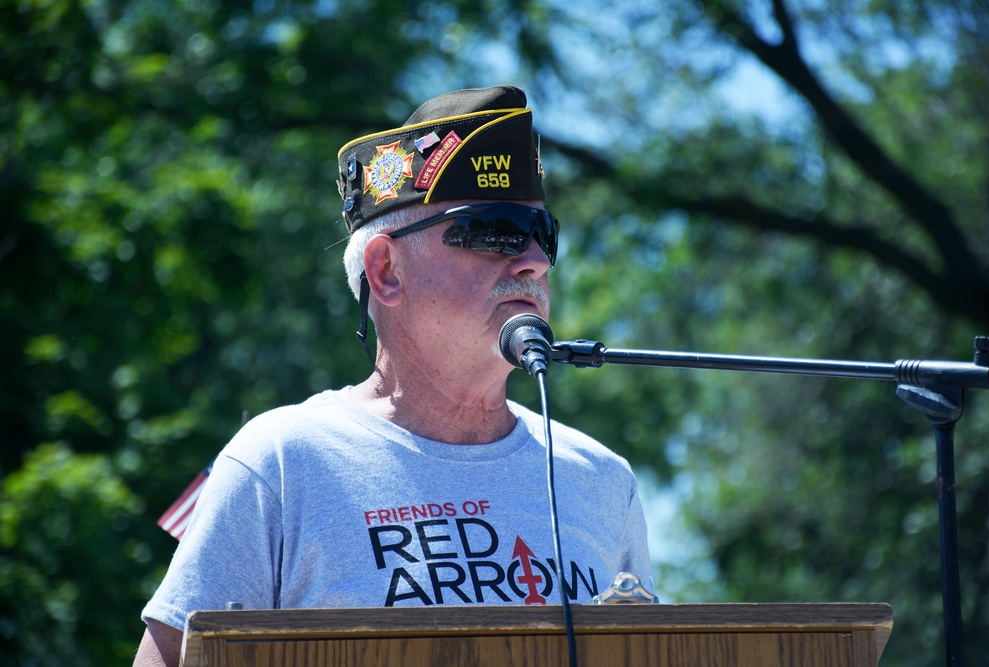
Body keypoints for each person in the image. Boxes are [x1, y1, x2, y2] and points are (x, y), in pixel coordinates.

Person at [133, 84, 652, 667]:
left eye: (543, 234)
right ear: (386, 272)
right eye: (496, 229)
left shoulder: (603, 480)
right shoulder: (282, 461)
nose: (532, 259)